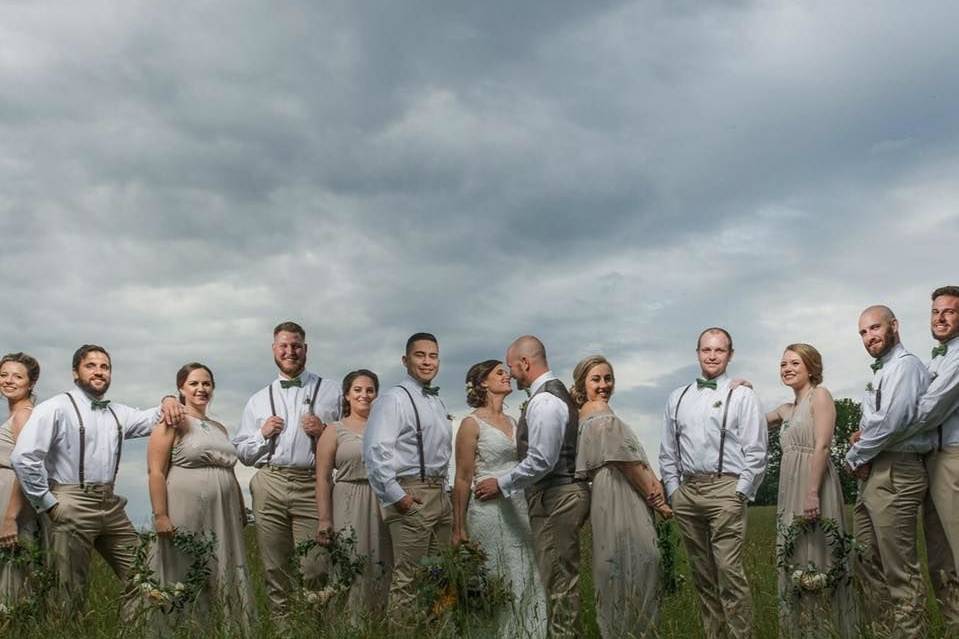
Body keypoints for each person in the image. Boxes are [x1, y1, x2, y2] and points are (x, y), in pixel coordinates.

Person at [10, 344, 183, 616]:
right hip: (69, 500)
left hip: (110, 503)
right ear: (75, 373)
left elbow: (156, 417)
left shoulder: (118, 411)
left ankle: (132, 632)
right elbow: (23, 456)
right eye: (91, 365)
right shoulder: (55, 407)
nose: (99, 371)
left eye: (105, 367)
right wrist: (48, 503)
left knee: (144, 574)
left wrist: (169, 398)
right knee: (67, 590)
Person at [474, 336, 590, 639]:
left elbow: (542, 460)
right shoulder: (552, 395)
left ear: (525, 363)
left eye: (512, 366)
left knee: (559, 584)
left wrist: (500, 483)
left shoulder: (545, 401)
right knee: (558, 580)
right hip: (556, 494)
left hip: (556, 496)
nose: (511, 373)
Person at [658, 327, 767, 639]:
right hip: (688, 493)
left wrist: (740, 492)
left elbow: (756, 450)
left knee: (729, 574)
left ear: (730, 355)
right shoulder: (677, 397)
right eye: (707, 350)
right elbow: (668, 452)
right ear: (697, 353)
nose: (712, 356)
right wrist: (674, 491)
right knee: (703, 577)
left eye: (719, 350)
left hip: (725, 491)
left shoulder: (741, 394)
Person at [232, 321, 341, 614]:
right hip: (271, 482)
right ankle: (284, 630)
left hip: (312, 483)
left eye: (296, 346)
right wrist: (262, 434)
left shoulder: (331, 391)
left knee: (316, 567)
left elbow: (352, 438)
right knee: (275, 569)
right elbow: (242, 453)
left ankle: (317, 629)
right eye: (284, 346)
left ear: (305, 350)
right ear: (274, 350)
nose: (290, 351)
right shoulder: (257, 400)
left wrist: (324, 430)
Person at [147, 363, 253, 632]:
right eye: (194, 383)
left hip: (224, 513)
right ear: (181, 388)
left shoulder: (219, 427)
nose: (201, 389)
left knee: (224, 569)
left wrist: (240, 509)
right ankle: (184, 630)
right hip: (185, 508)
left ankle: (228, 629)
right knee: (187, 570)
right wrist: (160, 515)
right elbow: (156, 471)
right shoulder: (171, 422)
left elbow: (229, 470)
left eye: (206, 384)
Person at [844, 305, 930, 638]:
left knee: (899, 572)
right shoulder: (883, 371)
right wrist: (862, 437)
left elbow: (892, 422)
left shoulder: (906, 367)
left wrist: (854, 456)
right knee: (866, 562)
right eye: (863, 333)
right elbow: (877, 423)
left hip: (897, 471)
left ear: (894, 325)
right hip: (875, 471)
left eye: (874, 328)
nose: (869, 337)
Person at [572, 355, 671, 639]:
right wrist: (658, 501)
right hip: (618, 492)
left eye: (608, 378)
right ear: (582, 384)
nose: (604, 385)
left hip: (607, 493)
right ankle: (635, 632)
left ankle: (622, 630)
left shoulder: (588, 412)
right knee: (641, 561)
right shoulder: (600, 412)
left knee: (618, 564)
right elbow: (627, 464)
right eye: (596, 379)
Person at [765, 344, 858, 637]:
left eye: (795, 362)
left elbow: (822, 445)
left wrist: (812, 492)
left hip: (814, 485)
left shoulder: (820, 395)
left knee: (819, 558)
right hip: (788, 488)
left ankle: (826, 629)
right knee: (794, 558)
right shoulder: (786, 409)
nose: (787, 368)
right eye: (783, 364)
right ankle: (803, 630)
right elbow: (749, 421)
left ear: (811, 367)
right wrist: (738, 389)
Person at [451, 360, 546, 638]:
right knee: (494, 574)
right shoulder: (471, 423)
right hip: (487, 510)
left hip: (517, 505)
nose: (508, 376)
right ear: (482, 382)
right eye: (500, 373)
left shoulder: (515, 422)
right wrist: (458, 527)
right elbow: (462, 478)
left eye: (507, 372)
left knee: (526, 574)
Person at [363, 332, 453, 620]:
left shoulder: (437, 402)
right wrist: (398, 497)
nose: (427, 361)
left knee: (442, 577)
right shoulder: (393, 399)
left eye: (433, 355)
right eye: (420, 355)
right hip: (412, 494)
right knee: (408, 581)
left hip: (440, 494)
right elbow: (376, 452)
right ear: (405, 360)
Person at [892, 286, 959, 634]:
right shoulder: (936, 358)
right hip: (932, 460)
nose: (941, 317)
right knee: (939, 557)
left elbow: (929, 410)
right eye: (936, 311)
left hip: (953, 458)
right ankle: (952, 626)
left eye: (949, 311)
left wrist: (886, 430)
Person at [315, 369, 392, 616]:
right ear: (347, 395)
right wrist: (325, 519)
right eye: (357, 390)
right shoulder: (334, 430)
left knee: (383, 564)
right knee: (352, 564)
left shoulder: (387, 427)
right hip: (347, 500)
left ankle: (380, 624)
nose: (364, 395)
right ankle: (349, 625)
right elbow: (323, 477)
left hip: (383, 502)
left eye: (370, 390)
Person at [0, 353, 41, 608]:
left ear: (31, 383)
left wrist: (10, 518)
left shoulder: (24, 414)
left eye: (17, 376)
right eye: (4, 375)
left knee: (14, 570)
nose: (8, 381)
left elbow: (27, 466)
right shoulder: (14, 414)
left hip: (12, 500)